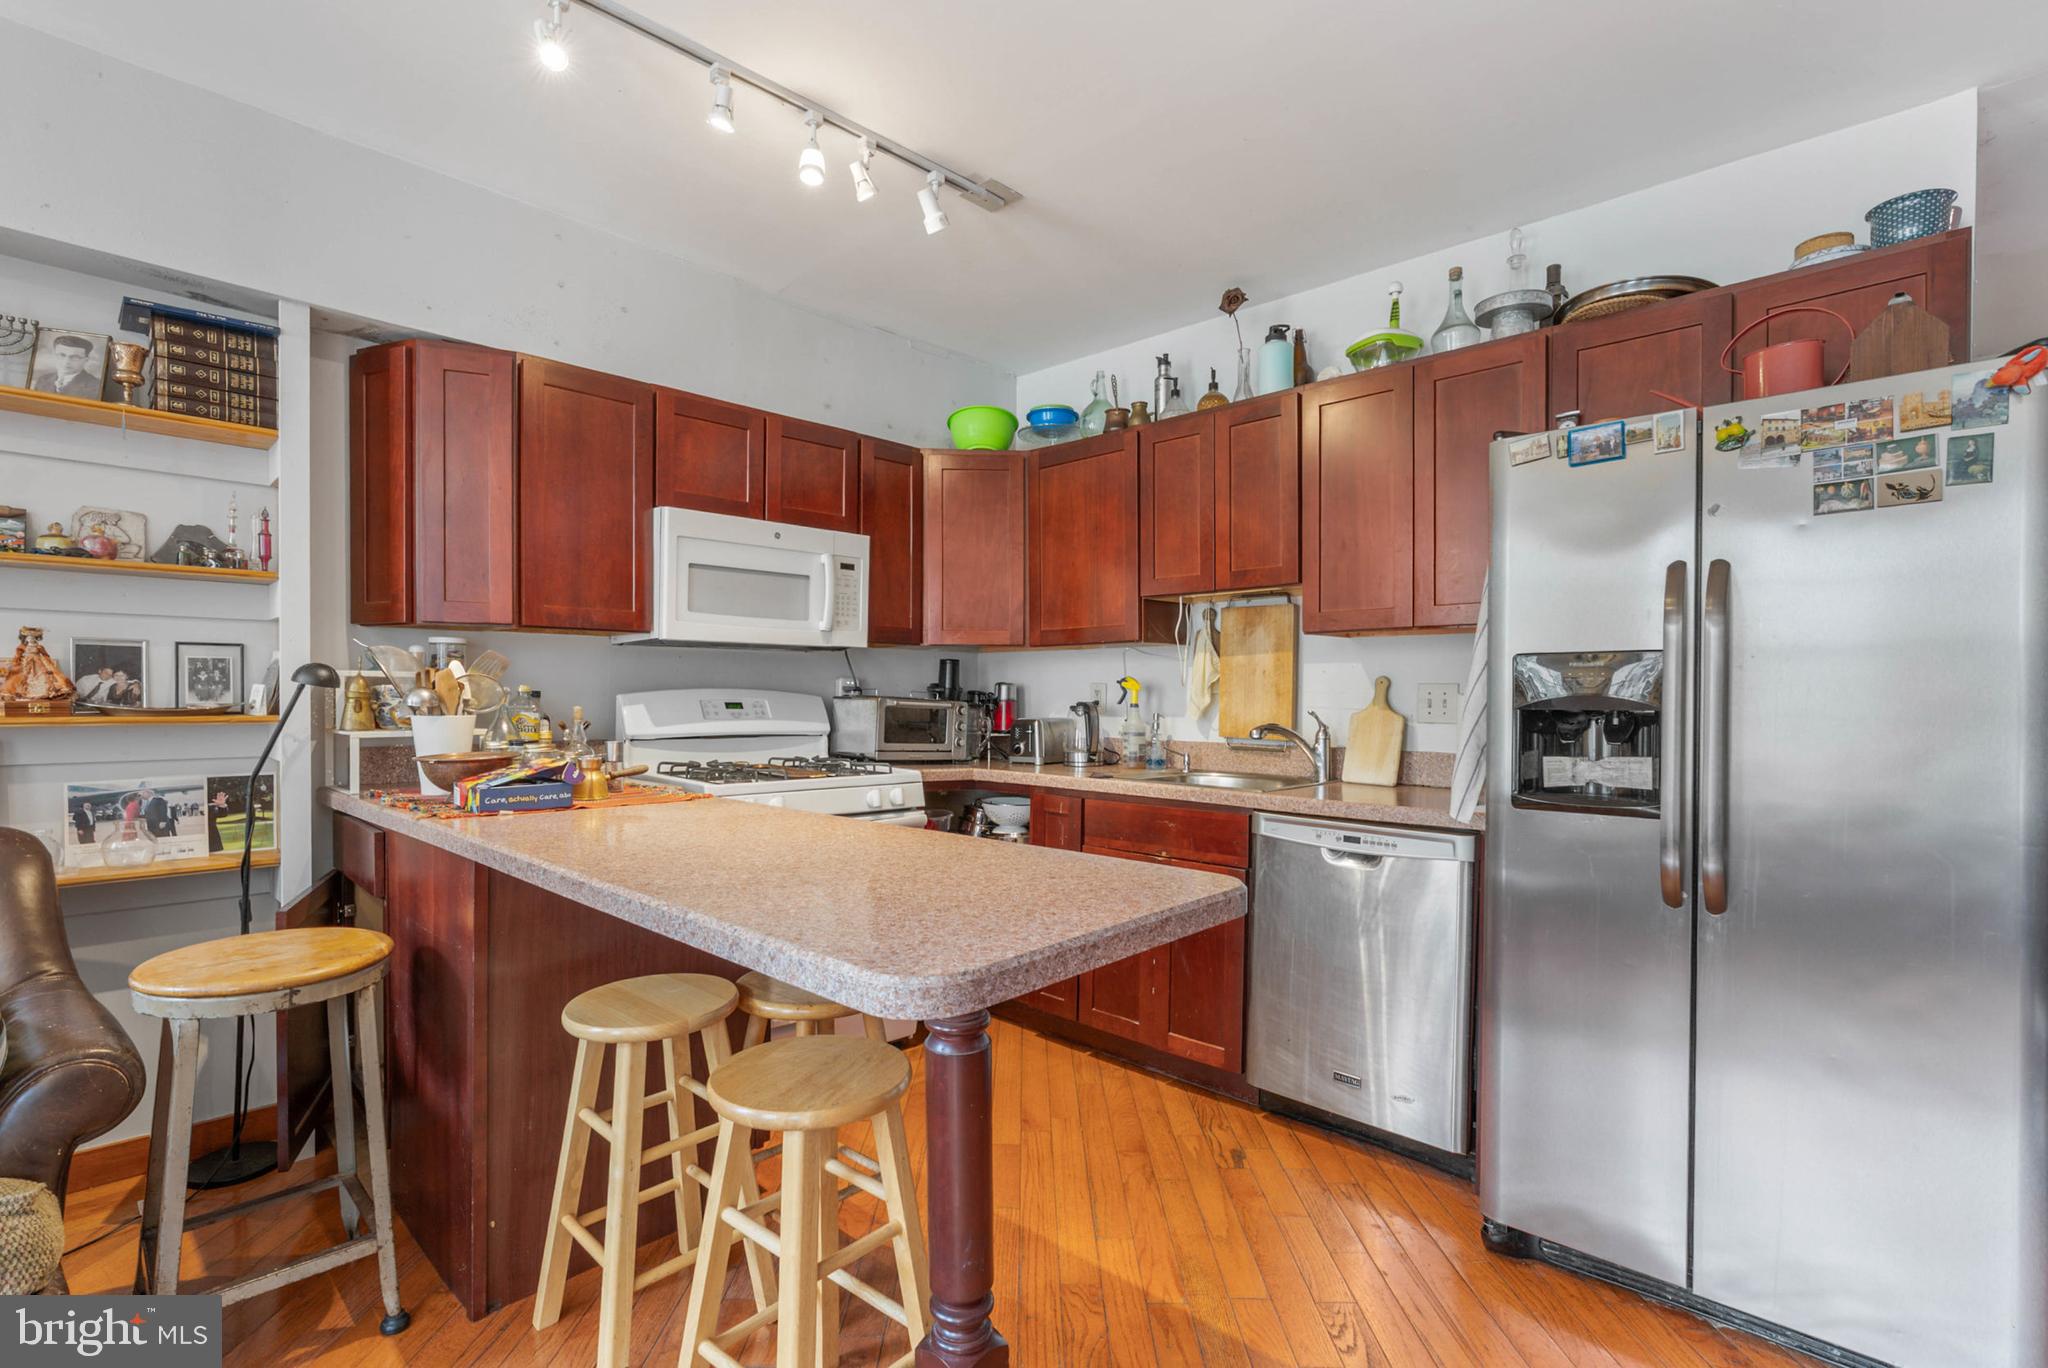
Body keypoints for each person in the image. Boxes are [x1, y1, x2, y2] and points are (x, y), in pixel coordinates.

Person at [30, 334, 102, 398]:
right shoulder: (43, 379)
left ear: (86, 360)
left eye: (75, 357)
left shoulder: (96, 387)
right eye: (62, 355)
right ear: (54, 355)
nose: (66, 362)